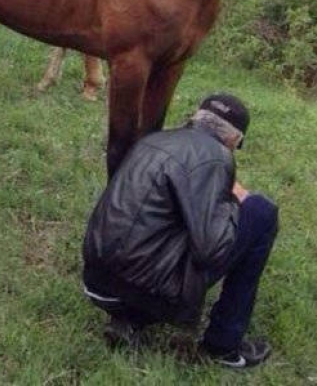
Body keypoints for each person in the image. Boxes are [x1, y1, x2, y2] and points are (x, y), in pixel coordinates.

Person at [82, 93, 278, 369]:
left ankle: (129, 320)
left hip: (96, 282)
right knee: (262, 212)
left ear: (195, 118)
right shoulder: (216, 157)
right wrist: (233, 201)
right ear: (234, 140)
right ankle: (223, 345)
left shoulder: (153, 140)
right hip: (140, 290)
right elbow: (212, 249)